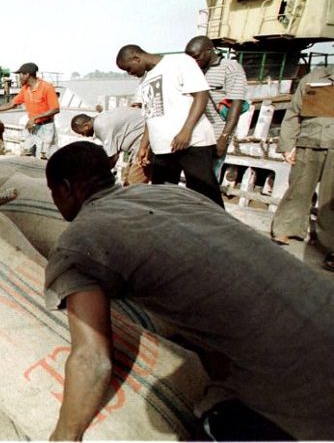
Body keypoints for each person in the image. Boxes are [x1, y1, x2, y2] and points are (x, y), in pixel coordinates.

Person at [43, 141, 334, 441]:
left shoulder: (78, 242)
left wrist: (64, 436)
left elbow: (92, 359)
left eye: (52, 192)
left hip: (309, 393)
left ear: (66, 188)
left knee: (213, 419)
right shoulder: (173, 194)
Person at [116, 44, 224, 207]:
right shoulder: (144, 81)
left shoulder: (179, 62)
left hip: (192, 144)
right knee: (162, 198)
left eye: (128, 69)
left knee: (205, 196)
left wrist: (186, 131)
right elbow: (150, 115)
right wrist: (143, 146)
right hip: (162, 149)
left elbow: (201, 95)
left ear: (136, 58)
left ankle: (217, 223)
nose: (129, 73)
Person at [271, 65, 334, 271]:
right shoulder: (315, 77)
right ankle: (287, 228)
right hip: (308, 143)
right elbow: (293, 113)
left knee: (332, 199)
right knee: (298, 189)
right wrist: (287, 145)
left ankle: (330, 245)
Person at [184, 36, 248, 179]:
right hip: (196, 133)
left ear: (209, 50)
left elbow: (236, 104)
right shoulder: (195, 70)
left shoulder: (230, 68)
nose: (193, 61)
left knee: (209, 177)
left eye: (196, 57)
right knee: (194, 177)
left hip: (216, 133)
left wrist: (224, 137)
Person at [0, 62, 60, 159]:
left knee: (44, 158)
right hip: (32, 127)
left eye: (20, 75)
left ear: (27, 75)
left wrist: (34, 118)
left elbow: (55, 109)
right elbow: (12, 104)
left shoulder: (47, 87)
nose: (18, 78)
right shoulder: (25, 89)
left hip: (46, 128)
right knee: (27, 155)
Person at [70, 107, 149, 185]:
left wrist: (96, 176)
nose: (84, 136)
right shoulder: (102, 119)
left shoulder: (101, 127)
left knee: (133, 184)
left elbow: (113, 157)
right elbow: (119, 151)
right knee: (125, 179)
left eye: (82, 133)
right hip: (135, 147)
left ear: (86, 126)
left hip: (143, 144)